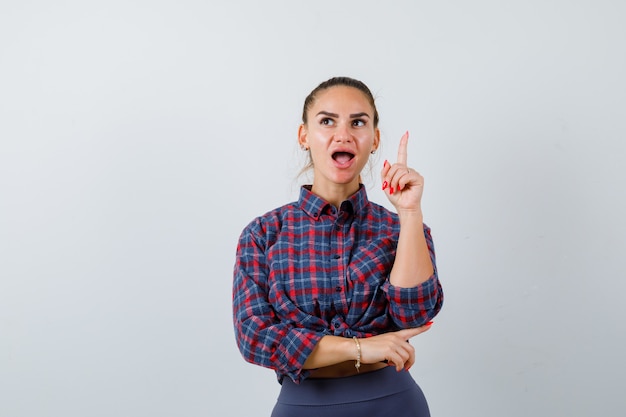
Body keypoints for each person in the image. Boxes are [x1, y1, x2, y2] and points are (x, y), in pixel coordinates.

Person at [233, 76, 443, 416]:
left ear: (374, 139)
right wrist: (358, 348)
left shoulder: (399, 227)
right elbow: (254, 338)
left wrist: (409, 212)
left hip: (394, 403)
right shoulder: (263, 234)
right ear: (304, 136)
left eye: (357, 122)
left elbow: (414, 314)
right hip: (303, 406)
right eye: (327, 121)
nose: (342, 134)